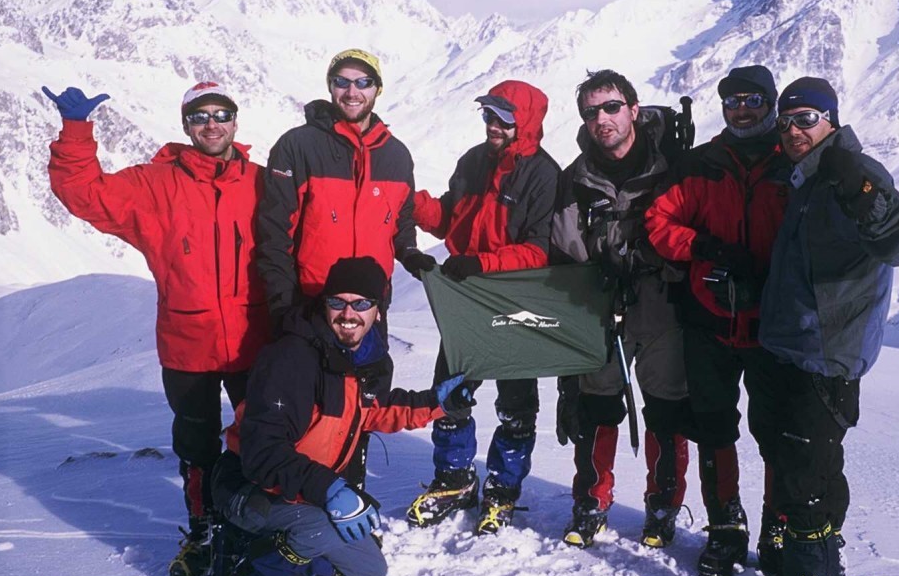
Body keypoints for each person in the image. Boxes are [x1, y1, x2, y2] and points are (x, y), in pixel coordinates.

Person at [43, 82, 270, 576]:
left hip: (256, 337)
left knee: (261, 437)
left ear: (236, 121)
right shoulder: (154, 184)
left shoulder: (263, 182)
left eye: (221, 114)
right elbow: (85, 194)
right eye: (200, 116)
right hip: (188, 344)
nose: (212, 124)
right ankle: (205, 531)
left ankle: (256, 526)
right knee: (197, 446)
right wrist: (76, 133)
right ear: (187, 125)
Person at [742, 77, 899, 576]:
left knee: (809, 483)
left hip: (825, 357)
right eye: (786, 120)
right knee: (790, 463)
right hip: (784, 348)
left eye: (807, 118)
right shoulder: (803, 179)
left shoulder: (852, 173)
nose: (794, 129)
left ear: (831, 120)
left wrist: (862, 194)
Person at [212, 256, 472, 576]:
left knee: (368, 570)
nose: (348, 313)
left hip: (306, 490)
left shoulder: (364, 359)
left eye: (361, 304)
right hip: (249, 487)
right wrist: (330, 489)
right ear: (325, 304)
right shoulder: (290, 359)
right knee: (324, 527)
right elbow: (262, 453)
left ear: (377, 311)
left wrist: (437, 404)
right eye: (338, 302)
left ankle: (275, 546)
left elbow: (374, 410)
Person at [256, 48, 432, 489]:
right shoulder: (298, 146)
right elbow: (274, 233)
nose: (352, 91)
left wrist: (410, 254)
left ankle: (350, 499)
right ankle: (303, 509)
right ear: (330, 86)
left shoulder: (396, 155)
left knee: (364, 409)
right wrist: (283, 305)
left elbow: (401, 222)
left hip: (370, 311)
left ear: (377, 89)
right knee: (312, 412)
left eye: (362, 82)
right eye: (342, 81)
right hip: (315, 308)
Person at [645, 65, 789, 576]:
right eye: (733, 102)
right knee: (714, 429)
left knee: (777, 434)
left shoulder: (792, 160)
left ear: (770, 102)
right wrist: (702, 247)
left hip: (775, 328)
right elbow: (660, 222)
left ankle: (778, 530)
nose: (743, 110)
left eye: (753, 100)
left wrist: (773, 272)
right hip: (709, 320)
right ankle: (725, 529)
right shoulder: (703, 163)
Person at [406, 80, 560, 535]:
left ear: (525, 122)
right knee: (449, 393)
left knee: (516, 405)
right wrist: (411, 203)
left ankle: (502, 491)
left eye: (503, 118)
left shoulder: (542, 173)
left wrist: (482, 262)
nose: (493, 125)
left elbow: (540, 250)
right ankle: (454, 481)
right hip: (467, 302)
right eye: (488, 116)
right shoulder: (474, 161)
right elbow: (451, 217)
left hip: (514, 303)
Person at [550, 69, 691, 549]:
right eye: (591, 112)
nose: (601, 119)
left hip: (662, 305)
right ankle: (591, 501)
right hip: (599, 305)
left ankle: (663, 505)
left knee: (668, 408)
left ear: (633, 109)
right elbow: (564, 245)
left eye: (611, 107)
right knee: (596, 407)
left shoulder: (674, 166)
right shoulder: (575, 180)